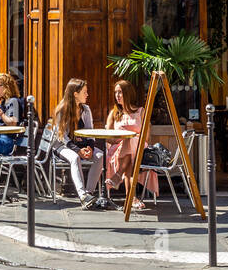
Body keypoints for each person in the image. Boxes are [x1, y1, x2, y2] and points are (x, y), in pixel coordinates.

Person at [104, 80, 158, 208]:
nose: (117, 95)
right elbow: (108, 137)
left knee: (131, 140)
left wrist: (131, 138)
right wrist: (122, 139)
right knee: (128, 146)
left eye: (120, 92)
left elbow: (146, 137)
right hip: (118, 150)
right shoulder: (114, 113)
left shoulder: (140, 111)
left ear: (128, 94)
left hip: (140, 148)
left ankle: (118, 176)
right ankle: (131, 198)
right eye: (116, 92)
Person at [53, 78, 104, 205]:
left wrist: (90, 148)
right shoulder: (62, 110)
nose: (87, 95)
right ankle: (82, 195)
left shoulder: (85, 110)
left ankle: (89, 193)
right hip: (62, 146)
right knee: (75, 158)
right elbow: (62, 137)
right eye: (84, 92)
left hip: (81, 145)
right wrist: (78, 151)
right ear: (75, 94)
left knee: (100, 155)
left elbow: (90, 132)